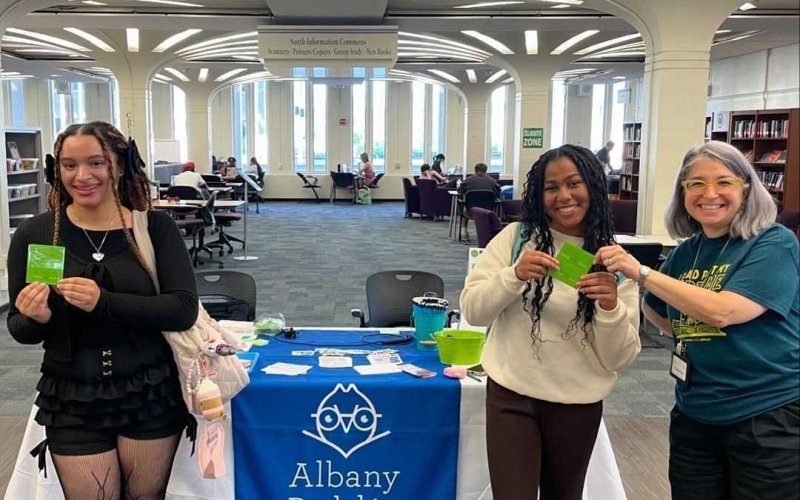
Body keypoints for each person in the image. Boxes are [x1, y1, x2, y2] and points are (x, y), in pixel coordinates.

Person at [7, 121, 199, 499]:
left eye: (97, 163)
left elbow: (182, 308)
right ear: (56, 170)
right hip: (72, 395)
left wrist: (104, 302)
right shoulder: (39, 235)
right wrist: (36, 318)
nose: (82, 176)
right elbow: (20, 329)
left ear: (121, 165)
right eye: (69, 165)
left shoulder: (153, 228)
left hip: (149, 389)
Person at [602, 141, 799, 500]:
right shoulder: (687, 252)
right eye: (696, 184)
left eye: (724, 182)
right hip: (695, 413)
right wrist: (694, 333)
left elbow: (724, 311)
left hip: (766, 413)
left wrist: (641, 271)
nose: (710, 194)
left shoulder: (774, 243)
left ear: (746, 187)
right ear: (683, 192)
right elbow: (654, 308)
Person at [460, 144, 641, 500]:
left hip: (577, 403)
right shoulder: (516, 240)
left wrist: (609, 307)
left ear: (593, 186)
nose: (564, 196)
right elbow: (473, 310)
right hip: (511, 396)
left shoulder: (615, 262)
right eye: (551, 187)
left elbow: (619, 358)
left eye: (574, 183)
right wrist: (513, 275)